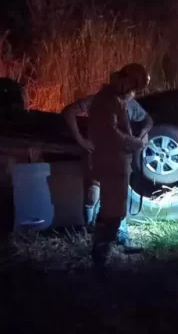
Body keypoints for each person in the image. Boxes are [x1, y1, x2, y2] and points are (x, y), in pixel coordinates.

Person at [62, 71, 153, 229]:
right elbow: (70, 112)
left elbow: (148, 120)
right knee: (94, 194)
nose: (130, 93)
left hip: (120, 157)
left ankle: (119, 234)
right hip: (100, 154)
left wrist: (143, 133)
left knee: (119, 197)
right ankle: (90, 229)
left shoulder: (130, 102)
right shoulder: (100, 100)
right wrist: (81, 140)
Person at [86, 63, 151, 268]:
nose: (132, 92)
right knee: (112, 211)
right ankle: (100, 259)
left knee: (115, 209)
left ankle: (103, 255)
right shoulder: (106, 101)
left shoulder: (117, 100)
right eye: (132, 87)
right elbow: (111, 134)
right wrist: (136, 143)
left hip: (118, 162)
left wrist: (141, 134)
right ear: (126, 81)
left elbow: (142, 120)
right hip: (110, 161)